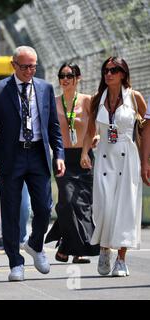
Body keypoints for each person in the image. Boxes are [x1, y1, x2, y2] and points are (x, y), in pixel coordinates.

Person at [0, 46, 65, 282]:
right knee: (11, 211)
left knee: (44, 207)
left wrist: (58, 154)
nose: (30, 70)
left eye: (33, 66)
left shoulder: (45, 88)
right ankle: (15, 262)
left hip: (38, 154)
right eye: (25, 66)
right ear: (13, 65)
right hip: (10, 156)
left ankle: (35, 244)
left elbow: (54, 127)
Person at [81, 57, 146, 277]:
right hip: (104, 157)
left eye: (114, 70)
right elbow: (90, 129)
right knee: (104, 206)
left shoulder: (135, 98)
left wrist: (146, 161)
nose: (109, 73)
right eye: (106, 70)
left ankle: (121, 259)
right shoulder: (97, 99)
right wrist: (84, 152)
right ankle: (104, 248)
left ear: (123, 73)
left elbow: (146, 129)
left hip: (128, 157)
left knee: (125, 208)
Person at [45, 62, 100, 264]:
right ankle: (72, 245)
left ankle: (74, 250)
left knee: (83, 205)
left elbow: (94, 128)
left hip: (84, 157)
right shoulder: (53, 101)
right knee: (67, 202)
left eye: (69, 75)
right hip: (62, 157)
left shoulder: (87, 100)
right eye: (62, 75)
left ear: (78, 78)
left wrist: (89, 148)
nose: (65, 79)